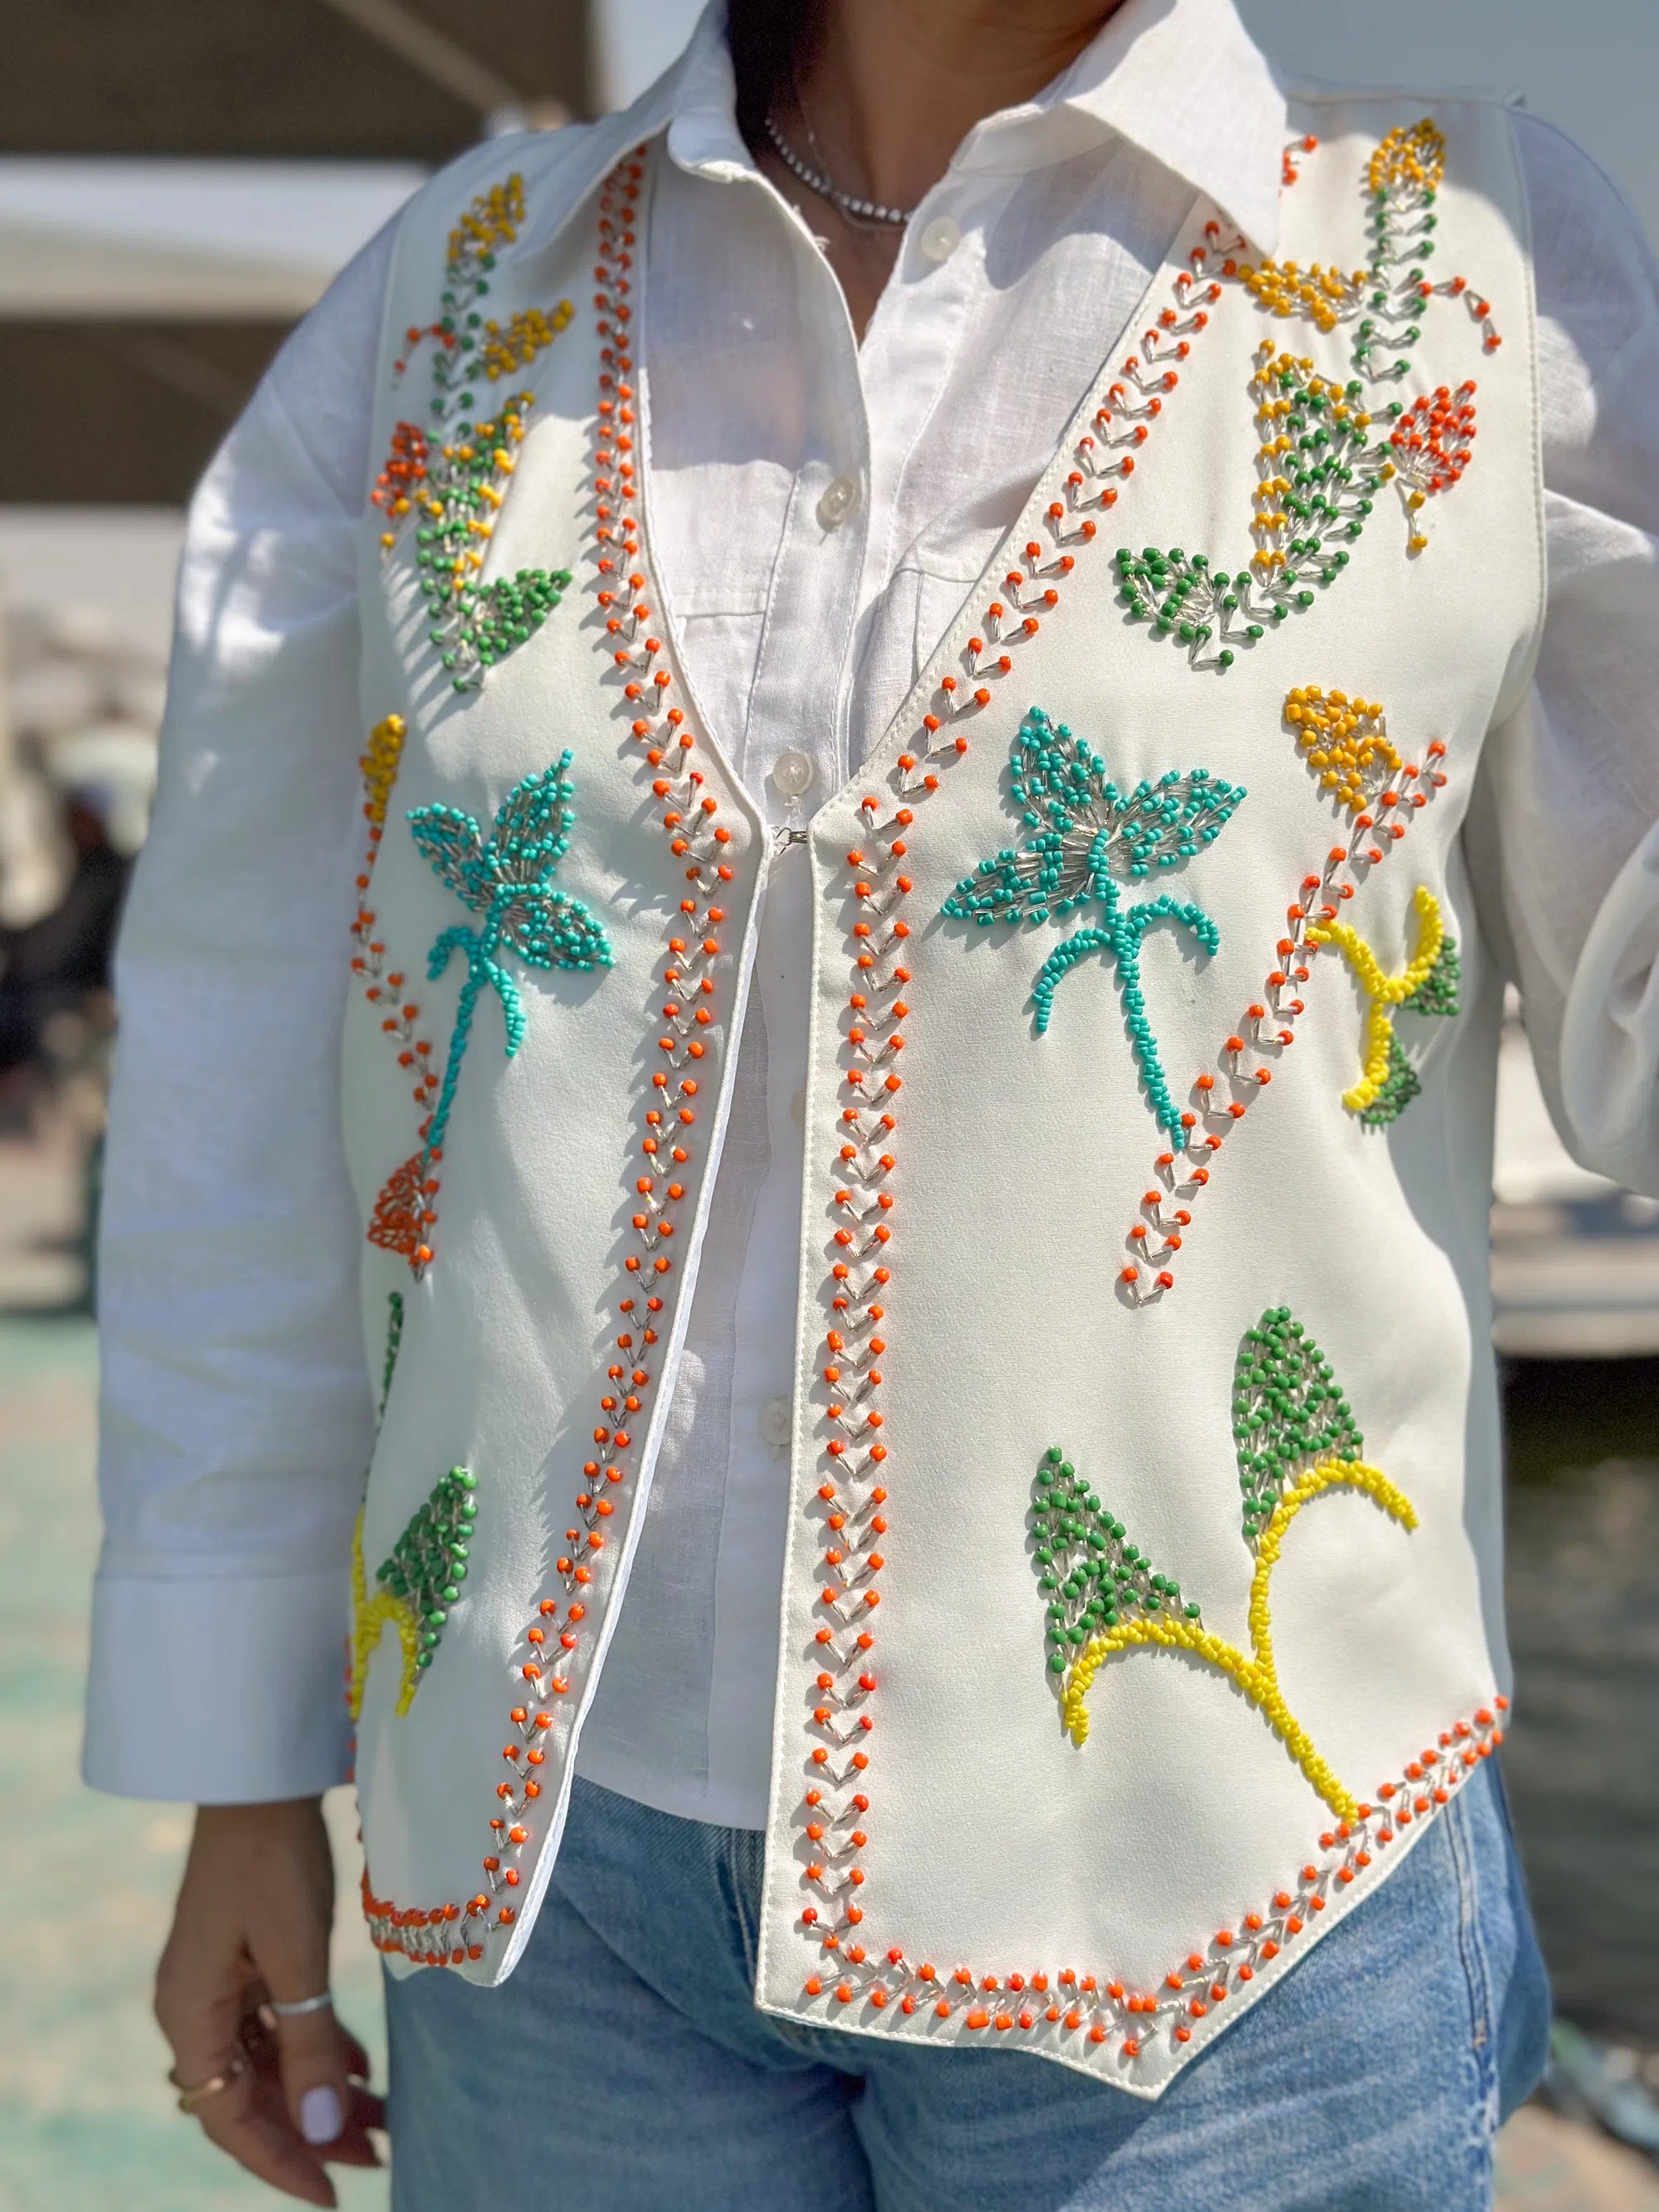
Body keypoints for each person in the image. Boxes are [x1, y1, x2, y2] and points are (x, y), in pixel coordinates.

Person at [85, 0, 1659, 2205]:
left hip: (1226, 1945)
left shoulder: (1471, 267)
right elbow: (259, 1080)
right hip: (555, 1928)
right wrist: (241, 1765)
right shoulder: (457, 298)